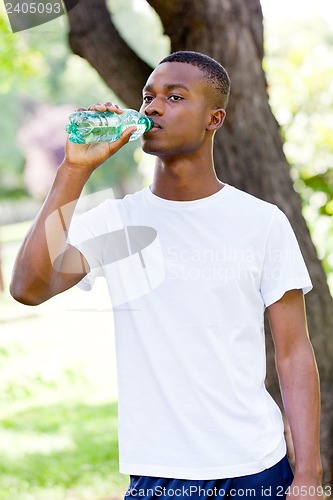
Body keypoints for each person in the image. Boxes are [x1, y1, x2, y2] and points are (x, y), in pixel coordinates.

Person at [10, 51, 322, 500]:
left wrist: (309, 475)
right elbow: (28, 288)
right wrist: (74, 170)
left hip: (257, 469)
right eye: (148, 96)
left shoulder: (261, 222)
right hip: (159, 476)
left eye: (174, 97)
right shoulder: (116, 223)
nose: (152, 107)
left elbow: (293, 353)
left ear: (214, 119)